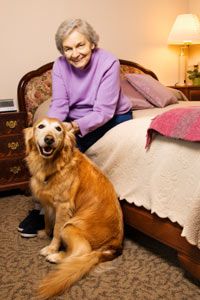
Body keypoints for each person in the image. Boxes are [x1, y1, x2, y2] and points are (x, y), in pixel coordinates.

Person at [18, 18, 132, 237]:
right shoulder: (59, 65)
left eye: (80, 45)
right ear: (62, 51)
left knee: (69, 150)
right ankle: (42, 206)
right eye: (67, 49)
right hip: (74, 117)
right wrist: (51, 130)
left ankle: (52, 207)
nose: (75, 53)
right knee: (47, 147)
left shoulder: (109, 62)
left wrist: (73, 128)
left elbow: (103, 112)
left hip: (112, 116)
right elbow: (60, 105)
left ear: (92, 43)